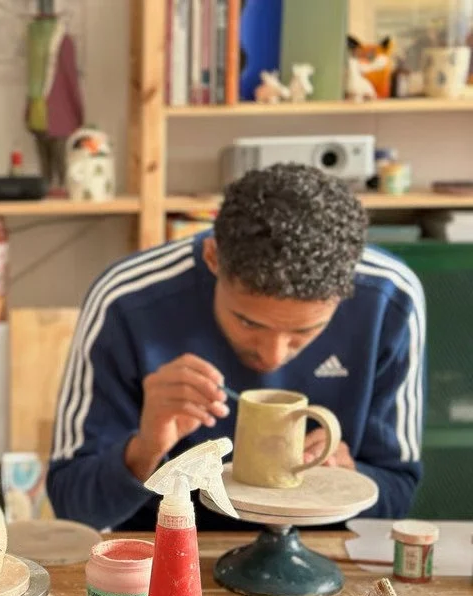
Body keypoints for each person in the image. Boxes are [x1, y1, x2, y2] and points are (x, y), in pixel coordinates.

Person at [47, 163, 426, 530]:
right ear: (213, 258)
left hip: (320, 556)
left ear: (347, 291)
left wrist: (348, 477)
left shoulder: (390, 300)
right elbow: (73, 508)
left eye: (304, 332)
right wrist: (145, 448)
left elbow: (398, 493)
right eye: (248, 322)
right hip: (166, 552)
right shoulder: (126, 299)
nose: (272, 357)